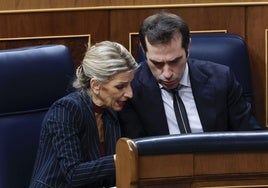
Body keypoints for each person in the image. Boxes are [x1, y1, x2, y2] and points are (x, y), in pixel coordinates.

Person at [118, 11, 264, 139]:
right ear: (144, 51)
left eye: (174, 61)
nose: (167, 74)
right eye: (157, 63)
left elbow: (250, 137)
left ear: (188, 47)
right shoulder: (132, 91)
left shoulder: (221, 79)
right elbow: (134, 150)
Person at [29, 41, 138, 187]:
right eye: (120, 87)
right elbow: (73, 173)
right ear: (96, 85)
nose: (130, 93)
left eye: (130, 84)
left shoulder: (113, 110)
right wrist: (121, 159)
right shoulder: (66, 110)